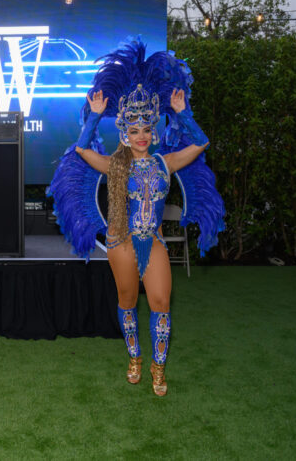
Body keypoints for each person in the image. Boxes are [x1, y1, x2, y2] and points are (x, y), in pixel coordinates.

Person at [48, 38, 225, 396]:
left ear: (153, 130)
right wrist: (94, 116)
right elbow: (82, 150)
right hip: (121, 243)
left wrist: (183, 112)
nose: (141, 136)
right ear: (125, 134)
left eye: (146, 129)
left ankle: (159, 369)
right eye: (134, 130)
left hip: (153, 242)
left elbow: (201, 143)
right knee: (127, 303)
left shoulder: (165, 162)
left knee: (161, 303)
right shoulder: (115, 165)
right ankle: (135, 358)